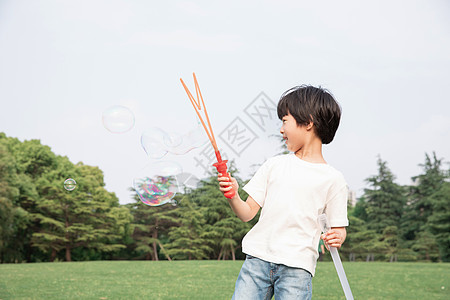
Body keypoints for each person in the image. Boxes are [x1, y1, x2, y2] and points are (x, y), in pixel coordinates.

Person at [217, 85, 348, 300]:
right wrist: (233, 195)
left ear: (308, 122)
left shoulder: (333, 179)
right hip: (257, 261)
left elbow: (338, 229)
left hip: (297, 268)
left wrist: (337, 236)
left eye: (284, 121)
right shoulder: (274, 165)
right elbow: (247, 213)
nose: (280, 129)